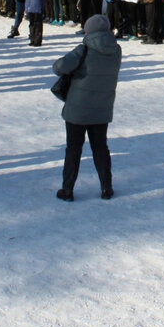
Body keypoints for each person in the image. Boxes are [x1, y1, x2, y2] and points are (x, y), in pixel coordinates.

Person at [54, 14, 121, 202]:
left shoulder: (83, 49)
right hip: (102, 107)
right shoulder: (116, 50)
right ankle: (106, 187)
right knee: (101, 148)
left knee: (73, 149)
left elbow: (58, 67)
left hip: (79, 107)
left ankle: (67, 189)